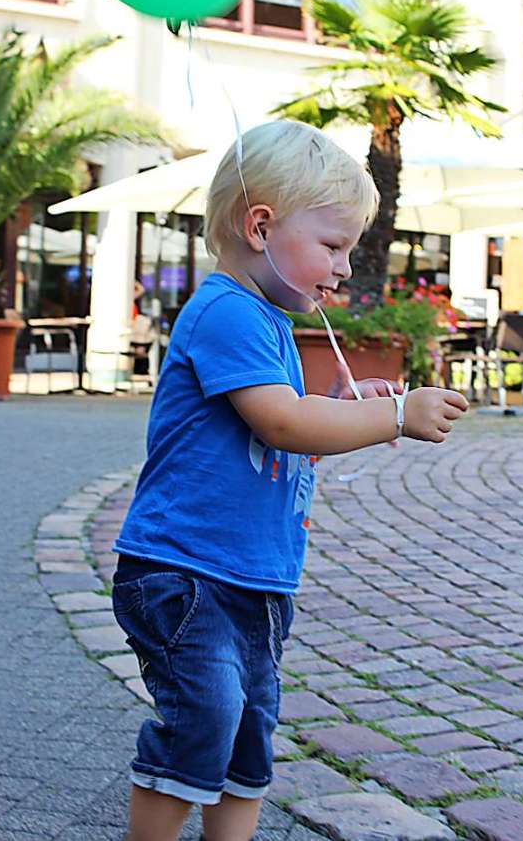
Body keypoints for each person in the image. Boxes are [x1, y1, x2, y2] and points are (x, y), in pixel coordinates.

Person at [111, 121, 469, 841]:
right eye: (332, 246)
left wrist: (336, 413)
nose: (342, 268)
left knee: (248, 734)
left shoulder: (267, 320)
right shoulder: (226, 312)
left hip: (255, 577)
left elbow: (287, 438)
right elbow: (281, 424)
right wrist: (394, 414)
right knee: (203, 720)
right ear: (260, 225)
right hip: (185, 572)